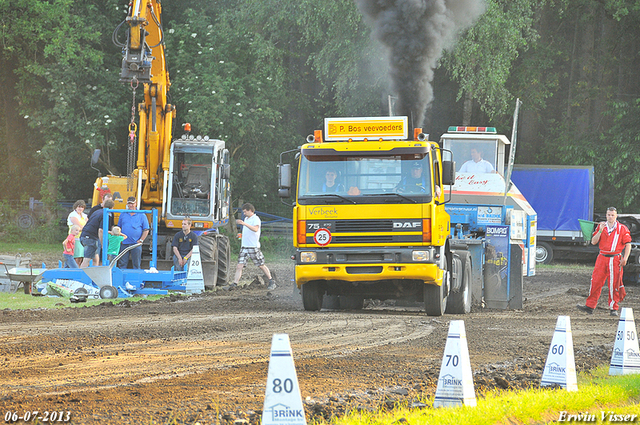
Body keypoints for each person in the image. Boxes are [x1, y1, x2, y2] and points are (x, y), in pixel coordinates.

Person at [577, 207, 632, 316]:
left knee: (614, 283)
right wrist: (600, 230)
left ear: (616, 216)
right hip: (602, 257)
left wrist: (625, 258)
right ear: (606, 215)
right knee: (596, 281)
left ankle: (613, 308)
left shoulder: (622, 228)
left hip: (615, 258)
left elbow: (628, 244)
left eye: (612, 215)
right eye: (608, 215)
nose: (610, 217)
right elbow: (593, 242)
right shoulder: (601, 227)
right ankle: (590, 306)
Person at [227, 203, 275, 290]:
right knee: (239, 266)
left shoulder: (256, 219)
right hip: (244, 247)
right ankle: (235, 283)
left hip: (253, 246)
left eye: (245, 212)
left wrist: (244, 224)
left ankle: (271, 280)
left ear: (250, 210)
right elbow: (249, 231)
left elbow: (255, 229)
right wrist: (241, 235)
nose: (244, 213)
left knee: (261, 265)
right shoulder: (246, 218)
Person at [80, 199, 115, 268]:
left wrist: (109, 232)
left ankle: (94, 276)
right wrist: (102, 244)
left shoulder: (97, 211)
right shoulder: (105, 215)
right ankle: (81, 276)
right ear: (112, 208)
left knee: (96, 259)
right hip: (89, 238)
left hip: (85, 235)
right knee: (87, 259)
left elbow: (95, 226)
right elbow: (101, 230)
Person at [117, 197, 149, 269]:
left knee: (136, 263)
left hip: (136, 244)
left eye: (132, 203)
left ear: (136, 203)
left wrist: (141, 240)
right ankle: (122, 278)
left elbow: (146, 229)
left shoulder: (142, 215)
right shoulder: (123, 214)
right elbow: (119, 228)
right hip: (124, 243)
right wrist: (120, 239)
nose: (130, 205)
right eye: (129, 203)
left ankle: (137, 279)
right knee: (122, 263)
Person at [67, 200, 88, 266]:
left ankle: (78, 268)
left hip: (83, 237)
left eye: (82, 207)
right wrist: (84, 229)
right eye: (79, 207)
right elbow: (78, 227)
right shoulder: (72, 215)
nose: (80, 209)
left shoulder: (84, 216)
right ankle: (74, 269)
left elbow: (88, 225)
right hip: (75, 238)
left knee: (81, 256)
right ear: (76, 207)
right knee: (76, 255)